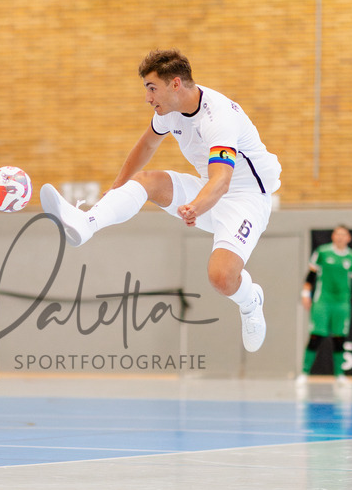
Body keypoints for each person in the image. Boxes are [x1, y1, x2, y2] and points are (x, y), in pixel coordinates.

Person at [40, 48, 281, 353]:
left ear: (175, 84)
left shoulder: (218, 117)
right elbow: (146, 146)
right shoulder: (168, 113)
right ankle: (86, 222)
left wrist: (197, 206)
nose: (148, 98)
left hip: (245, 198)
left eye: (152, 88)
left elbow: (223, 181)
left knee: (221, 278)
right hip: (208, 188)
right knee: (146, 181)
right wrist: (115, 190)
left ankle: (250, 300)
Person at [298, 225, 352, 384]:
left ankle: (340, 374)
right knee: (316, 336)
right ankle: (304, 373)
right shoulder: (322, 252)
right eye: (338, 234)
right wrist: (305, 294)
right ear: (333, 236)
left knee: (339, 338)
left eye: (344, 234)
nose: (341, 237)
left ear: (349, 238)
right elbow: (311, 275)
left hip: (342, 303)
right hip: (323, 301)